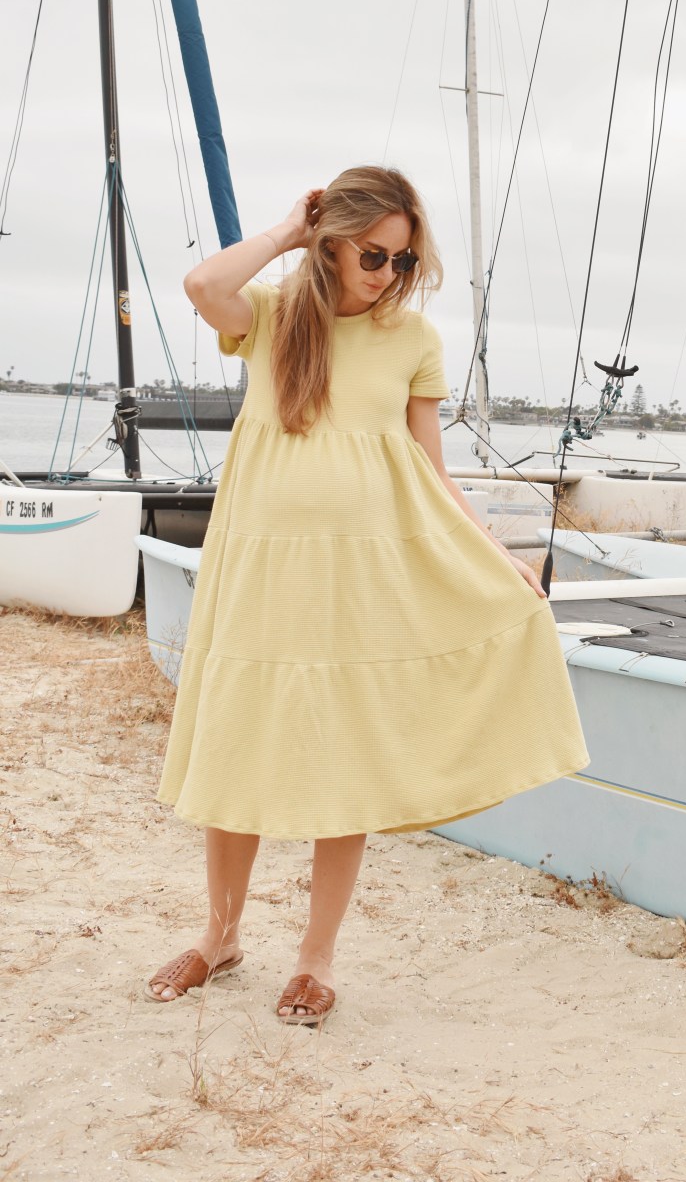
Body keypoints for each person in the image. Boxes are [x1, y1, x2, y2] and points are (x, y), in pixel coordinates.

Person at [146, 166, 589, 1024]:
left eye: (405, 260)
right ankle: (220, 935)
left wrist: (496, 554)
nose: (390, 275)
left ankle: (316, 959)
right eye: (376, 255)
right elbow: (203, 283)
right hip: (259, 570)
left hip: (357, 580)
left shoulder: (413, 338)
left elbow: (429, 466)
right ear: (333, 243)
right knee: (241, 743)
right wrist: (284, 233)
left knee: (338, 755)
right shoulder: (273, 315)